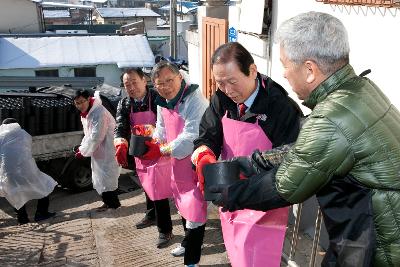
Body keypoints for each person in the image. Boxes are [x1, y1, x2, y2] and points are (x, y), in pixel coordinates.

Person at [210, 12, 400, 267]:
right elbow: (304, 152)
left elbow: (286, 184)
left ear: (309, 70)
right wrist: (249, 163)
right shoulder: (359, 89)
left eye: (286, 65)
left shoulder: (332, 117)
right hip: (368, 229)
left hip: (379, 245)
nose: (285, 75)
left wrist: (229, 194)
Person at [191, 42, 302, 267]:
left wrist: (245, 189)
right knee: (237, 253)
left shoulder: (280, 107)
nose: (228, 90)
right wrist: (204, 155)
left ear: (252, 71)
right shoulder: (221, 99)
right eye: (220, 83)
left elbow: (290, 160)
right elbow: (207, 134)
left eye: (232, 81)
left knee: (260, 257)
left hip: (265, 199)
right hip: (230, 193)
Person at [139, 61, 208, 267]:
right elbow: (161, 129)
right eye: (160, 83)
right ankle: (187, 243)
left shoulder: (195, 100)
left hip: (196, 162)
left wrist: (161, 150)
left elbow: (191, 136)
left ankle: (192, 260)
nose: (166, 86)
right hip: (175, 165)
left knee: (195, 209)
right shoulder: (163, 102)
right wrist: (150, 141)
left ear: (180, 77)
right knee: (182, 206)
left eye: (170, 80)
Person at [114, 68, 173, 248]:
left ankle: (165, 230)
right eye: (127, 84)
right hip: (140, 151)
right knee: (147, 185)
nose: (131, 87)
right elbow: (121, 125)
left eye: (134, 82)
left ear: (144, 80)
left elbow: (169, 123)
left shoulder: (157, 98)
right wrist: (121, 143)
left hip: (158, 150)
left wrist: (162, 145)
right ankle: (151, 214)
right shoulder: (124, 104)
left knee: (159, 190)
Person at [0, 118, 57, 224]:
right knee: (44, 186)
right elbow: (28, 147)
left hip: (8, 174)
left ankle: (22, 218)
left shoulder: (0, 137)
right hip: (25, 170)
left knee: (16, 193)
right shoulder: (23, 134)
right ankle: (41, 214)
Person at [73, 89, 121, 211]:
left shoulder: (98, 112)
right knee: (99, 177)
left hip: (108, 148)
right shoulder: (87, 113)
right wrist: (82, 148)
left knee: (108, 177)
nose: (79, 105)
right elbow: (88, 134)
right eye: (77, 103)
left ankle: (113, 205)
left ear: (88, 99)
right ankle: (107, 202)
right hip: (99, 149)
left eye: (82, 102)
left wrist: (83, 151)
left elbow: (96, 136)